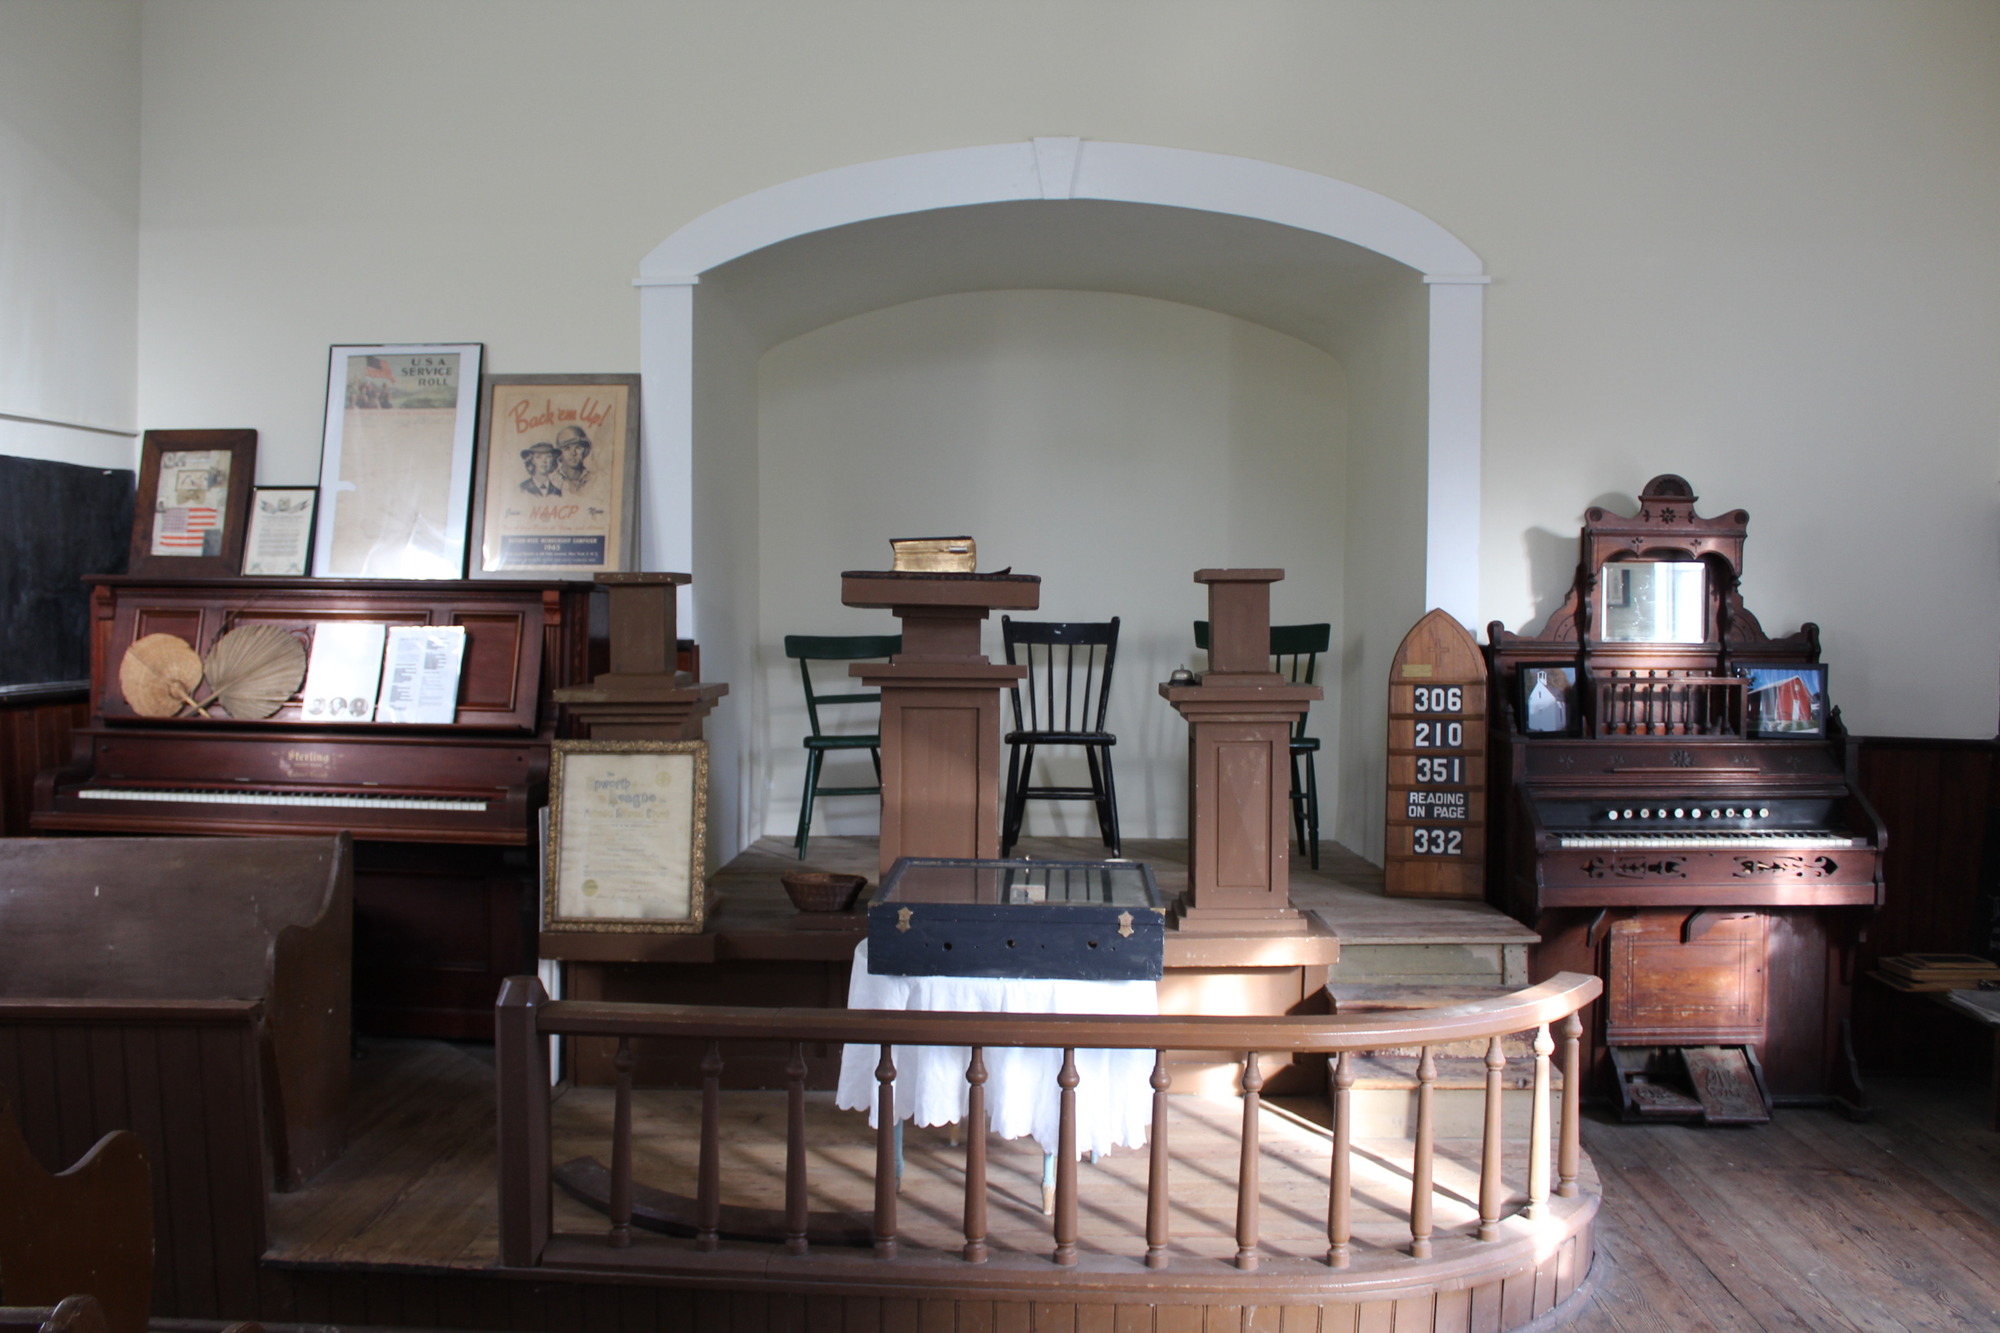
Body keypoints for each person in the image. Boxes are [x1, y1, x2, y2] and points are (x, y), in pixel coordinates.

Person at [554, 425, 593, 495]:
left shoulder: (594, 479)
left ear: (585, 451)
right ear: (559, 453)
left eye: (578, 448)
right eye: (567, 448)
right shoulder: (553, 481)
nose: (573, 453)